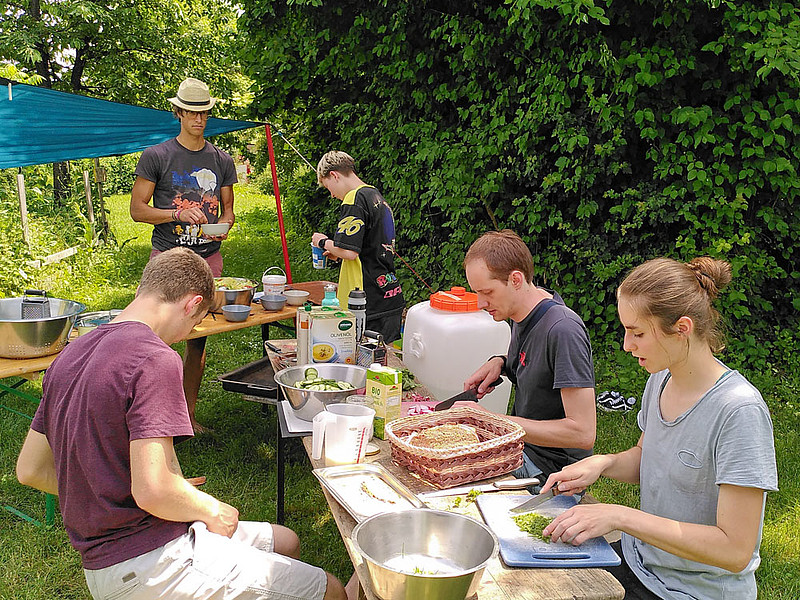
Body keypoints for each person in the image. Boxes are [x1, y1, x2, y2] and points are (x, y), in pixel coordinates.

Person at [16, 248, 351, 600]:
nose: (186, 334)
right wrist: (210, 508)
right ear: (192, 304)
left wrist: (125, 491)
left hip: (111, 561)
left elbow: (31, 469)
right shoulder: (155, 358)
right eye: (195, 322)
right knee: (330, 590)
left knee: (285, 542)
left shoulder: (69, 355)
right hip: (150, 565)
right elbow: (154, 491)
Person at [539, 257, 778, 600]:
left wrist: (621, 516)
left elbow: (734, 550)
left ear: (682, 328)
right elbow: (647, 457)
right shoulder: (660, 380)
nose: (626, 345)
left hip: (693, 590)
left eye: (637, 332)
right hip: (640, 562)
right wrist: (603, 463)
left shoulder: (739, 411)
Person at [130, 77, 237, 433]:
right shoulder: (157, 155)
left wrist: (220, 226)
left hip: (208, 261)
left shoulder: (221, 159)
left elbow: (228, 211)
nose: (198, 119)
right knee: (150, 342)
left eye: (204, 112)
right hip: (167, 261)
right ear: (177, 112)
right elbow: (137, 210)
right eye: (191, 112)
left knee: (197, 344)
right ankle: (146, 423)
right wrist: (175, 214)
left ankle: (187, 418)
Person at [463, 230, 596, 487]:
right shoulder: (521, 314)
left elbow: (583, 433)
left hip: (551, 474)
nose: (480, 303)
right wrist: (500, 363)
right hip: (521, 450)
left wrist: (493, 422)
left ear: (515, 279)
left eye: (487, 292)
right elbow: (538, 367)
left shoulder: (563, 330)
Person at [311, 151, 405, 342]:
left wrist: (321, 241)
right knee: (385, 364)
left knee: (364, 364)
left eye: (329, 187)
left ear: (334, 175)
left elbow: (349, 251)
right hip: (388, 294)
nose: (332, 195)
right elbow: (370, 246)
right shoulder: (375, 195)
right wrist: (337, 254)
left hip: (365, 301)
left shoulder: (354, 199)